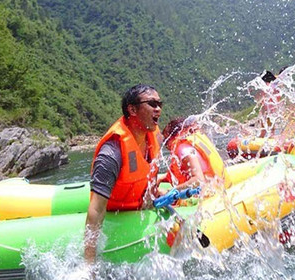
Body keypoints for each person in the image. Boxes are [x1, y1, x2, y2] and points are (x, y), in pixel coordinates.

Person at [84, 84, 163, 265]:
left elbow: (148, 175)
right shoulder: (112, 152)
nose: (158, 108)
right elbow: (96, 209)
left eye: (160, 103)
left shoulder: (154, 137)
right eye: (152, 103)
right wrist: (89, 267)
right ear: (132, 109)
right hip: (115, 213)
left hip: (139, 206)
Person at [160, 117, 230, 193]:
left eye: (165, 140)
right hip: (218, 187)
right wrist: (161, 179)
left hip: (208, 195)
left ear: (172, 137)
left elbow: (198, 181)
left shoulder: (182, 149)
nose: (165, 145)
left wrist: (169, 192)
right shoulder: (192, 143)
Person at [255, 70, 281, 138]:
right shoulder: (275, 83)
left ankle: (264, 135)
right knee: (269, 120)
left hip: (269, 105)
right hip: (272, 105)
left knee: (266, 118)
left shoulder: (268, 86)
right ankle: (270, 135)